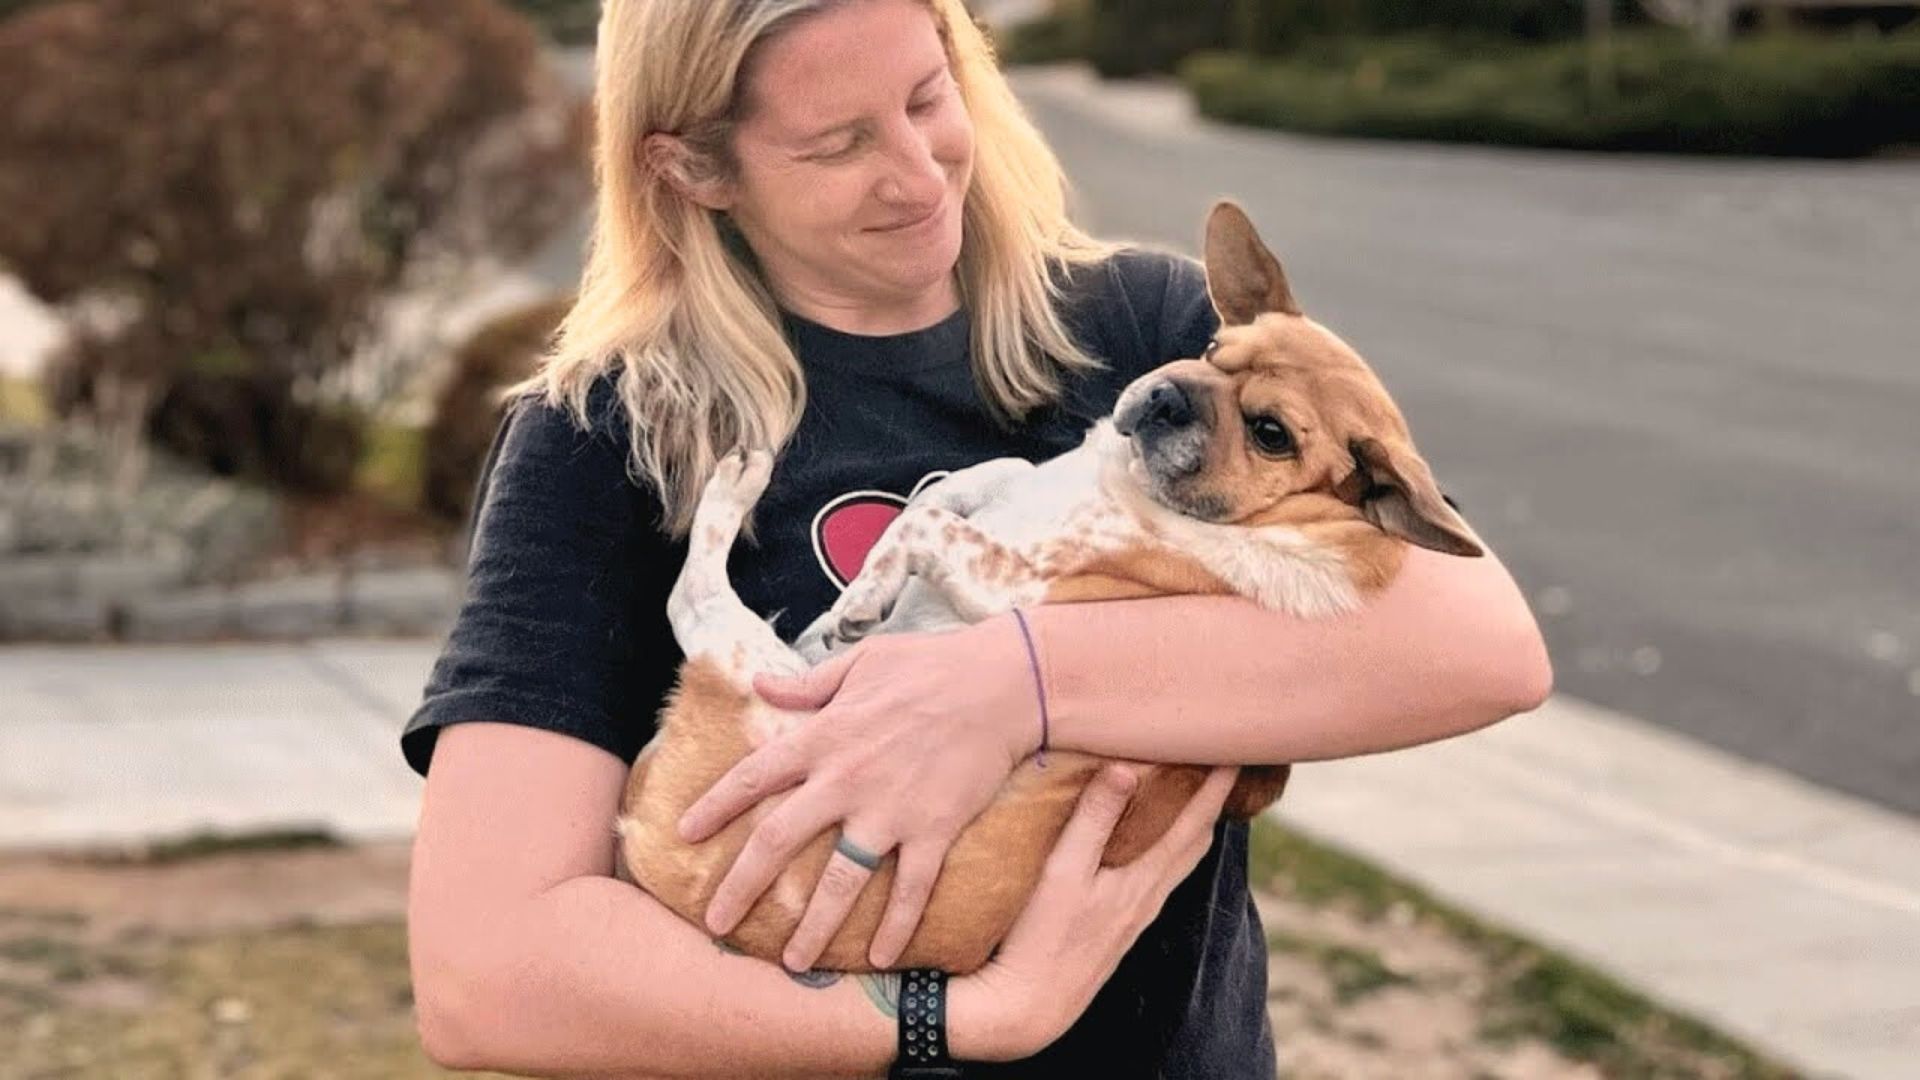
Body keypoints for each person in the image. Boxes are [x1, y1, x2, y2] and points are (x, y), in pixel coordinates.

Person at [402, 0, 1553, 1076]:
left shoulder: (1154, 335)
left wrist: (1014, 683)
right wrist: (955, 1021)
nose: (917, 175)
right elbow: (484, 970)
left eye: (926, 95)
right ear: (693, 167)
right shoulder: (612, 433)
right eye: (838, 143)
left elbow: (1482, 647)